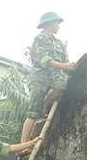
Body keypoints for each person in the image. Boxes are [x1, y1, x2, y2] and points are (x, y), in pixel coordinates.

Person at [20, 12, 76, 143]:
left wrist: (69, 66)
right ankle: (23, 143)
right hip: (40, 76)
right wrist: (64, 65)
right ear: (49, 24)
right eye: (57, 23)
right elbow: (44, 60)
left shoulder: (59, 43)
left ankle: (46, 104)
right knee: (33, 111)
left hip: (55, 76)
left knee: (61, 87)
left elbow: (65, 61)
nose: (58, 26)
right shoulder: (40, 39)